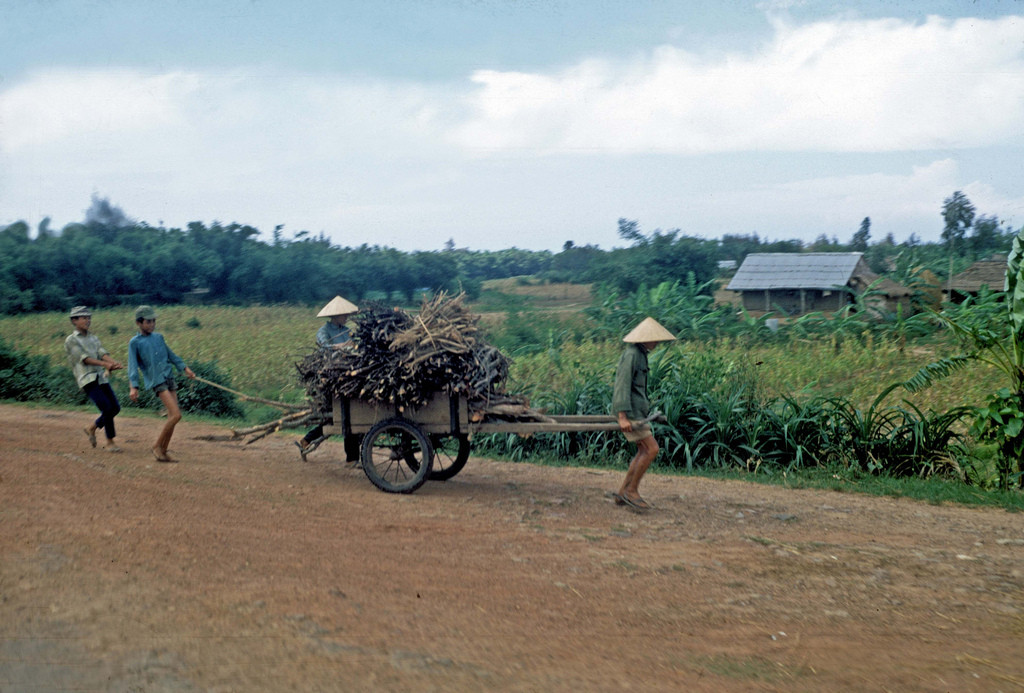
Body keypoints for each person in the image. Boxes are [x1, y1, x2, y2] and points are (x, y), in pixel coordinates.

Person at [611, 317, 676, 512]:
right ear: (644, 339)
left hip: (637, 412)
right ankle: (632, 491)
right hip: (629, 412)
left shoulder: (641, 354)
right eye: (654, 339)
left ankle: (623, 491)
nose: (656, 343)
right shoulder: (631, 355)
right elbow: (621, 385)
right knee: (652, 449)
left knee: (643, 451)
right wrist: (622, 417)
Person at [127, 305, 195, 462]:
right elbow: (132, 366)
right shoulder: (135, 342)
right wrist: (133, 386)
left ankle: (163, 450)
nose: (152, 324)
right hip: (156, 380)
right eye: (148, 321)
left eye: (153, 321)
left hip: (169, 376)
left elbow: (171, 355)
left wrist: (185, 368)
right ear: (139, 322)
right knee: (176, 415)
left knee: (173, 416)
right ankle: (157, 446)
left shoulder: (159, 337)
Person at [295, 295, 360, 461]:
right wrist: (343, 346)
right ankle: (351, 458)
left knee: (345, 415)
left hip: (349, 373)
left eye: (347, 315)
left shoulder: (347, 331)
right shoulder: (323, 332)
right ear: (336, 315)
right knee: (339, 416)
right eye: (344, 315)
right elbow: (325, 349)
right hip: (332, 377)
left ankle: (307, 440)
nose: (346, 318)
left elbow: (354, 347)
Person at [64, 306, 125, 452]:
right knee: (107, 408)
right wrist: (105, 364)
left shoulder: (93, 337)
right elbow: (84, 359)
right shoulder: (71, 340)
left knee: (115, 407)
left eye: (88, 317)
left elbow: (100, 352)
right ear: (74, 321)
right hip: (87, 379)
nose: (87, 320)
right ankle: (110, 442)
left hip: (100, 377)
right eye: (83, 317)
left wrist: (112, 362)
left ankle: (92, 428)